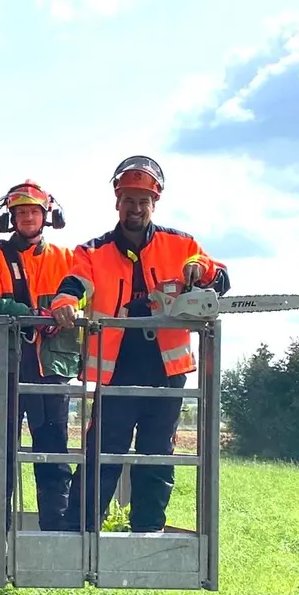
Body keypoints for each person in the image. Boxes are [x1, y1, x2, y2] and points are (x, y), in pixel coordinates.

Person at [50, 155, 229, 532]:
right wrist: (65, 302)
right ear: (117, 202)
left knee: (157, 453)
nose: (135, 208)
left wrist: (203, 271)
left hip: (166, 368)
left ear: (154, 203)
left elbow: (221, 276)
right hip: (118, 366)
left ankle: (149, 528)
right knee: (104, 450)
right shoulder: (93, 251)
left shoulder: (181, 245)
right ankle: (81, 529)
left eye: (143, 201)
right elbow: (75, 283)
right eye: (129, 200)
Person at [0, 180, 79, 530]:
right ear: (11, 217)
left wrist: (63, 312)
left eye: (33, 211)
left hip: (52, 367)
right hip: (7, 365)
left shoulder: (67, 259)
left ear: (46, 215)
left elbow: (84, 298)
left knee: (53, 450)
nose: (27, 218)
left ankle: (56, 528)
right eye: (21, 212)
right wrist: (30, 313)